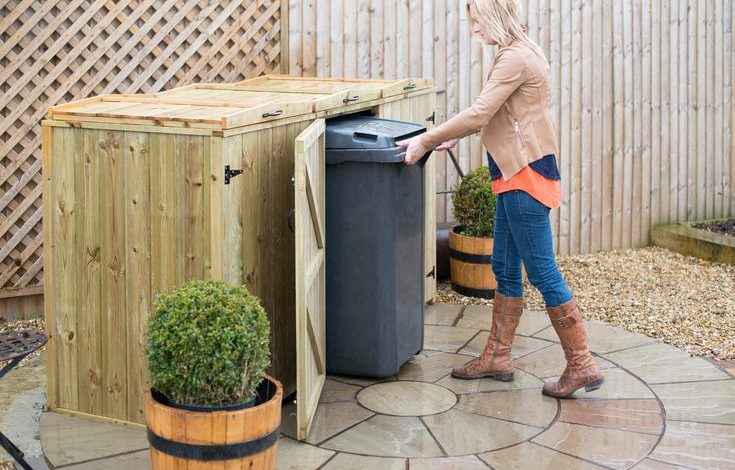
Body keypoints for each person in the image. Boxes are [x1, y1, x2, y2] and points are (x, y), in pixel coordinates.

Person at [397, 0, 603, 398]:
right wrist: (456, 134)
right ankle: (497, 356)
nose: (474, 30)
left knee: (542, 272)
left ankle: (581, 364)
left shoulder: (515, 58)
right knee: (504, 266)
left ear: (493, 15)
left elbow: (479, 112)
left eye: (476, 21)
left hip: (524, 176)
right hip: (514, 174)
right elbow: (504, 112)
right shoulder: (521, 51)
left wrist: (427, 139)